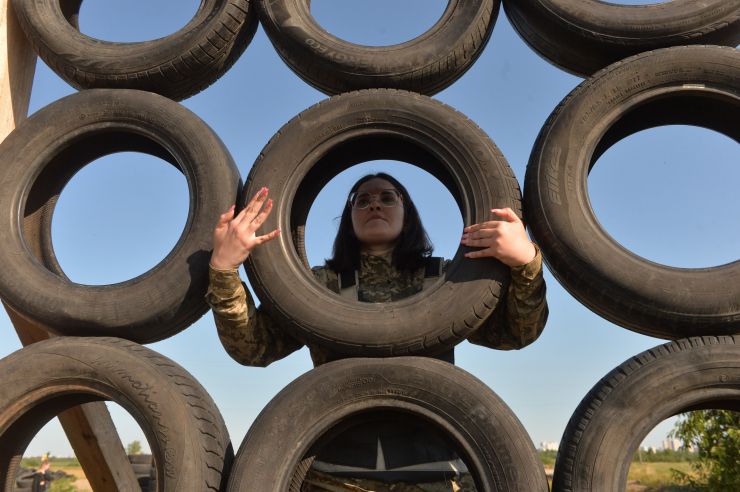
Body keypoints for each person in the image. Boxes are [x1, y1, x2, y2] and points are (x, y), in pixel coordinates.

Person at [206, 173, 548, 491]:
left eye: (388, 197)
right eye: (361, 199)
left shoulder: (448, 277)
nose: (374, 204)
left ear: (407, 211)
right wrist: (224, 269)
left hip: (437, 473)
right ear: (349, 215)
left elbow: (514, 333)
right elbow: (254, 347)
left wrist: (525, 261)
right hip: (333, 477)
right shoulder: (317, 285)